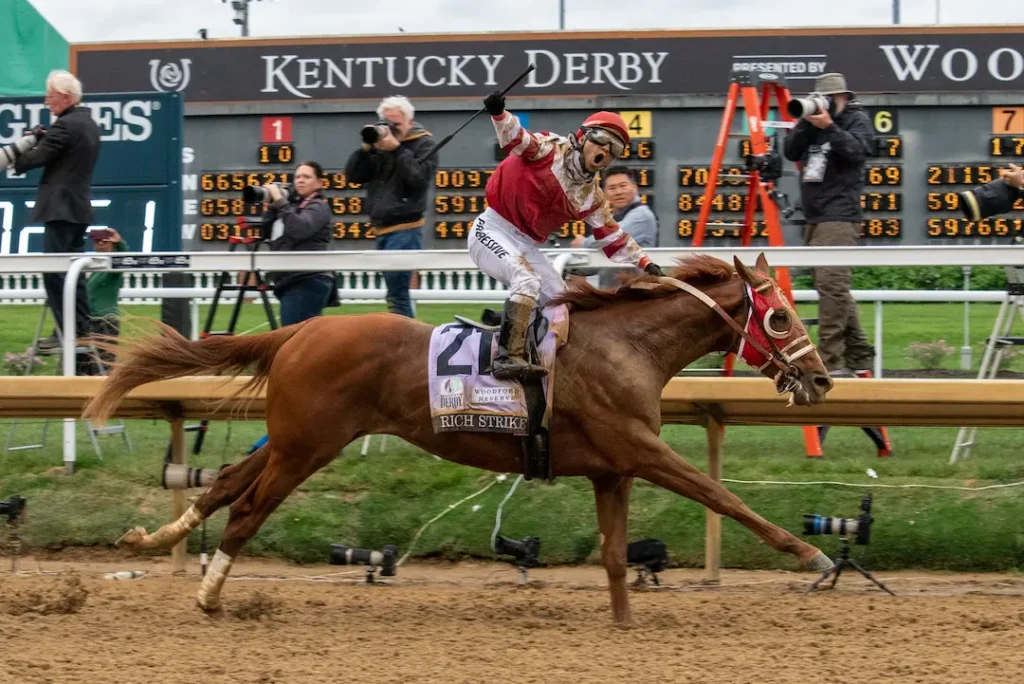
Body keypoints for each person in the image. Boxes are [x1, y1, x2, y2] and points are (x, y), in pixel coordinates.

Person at [468, 92, 662, 381]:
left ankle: (514, 332)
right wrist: (499, 113)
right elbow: (516, 138)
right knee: (526, 279)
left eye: (615, 149)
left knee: (562, 301)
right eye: (602, 140)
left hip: (526, 244)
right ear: (583, 137)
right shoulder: (549, 149)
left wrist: (646, 263)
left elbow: (614, 237)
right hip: (491, 229)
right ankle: (507, 358)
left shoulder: (592, 196)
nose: (606, 151)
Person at [783, 72, 875, 378]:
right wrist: (806, 122)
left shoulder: (856, 119)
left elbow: (859, 151)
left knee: (832, 285)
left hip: (840, 215)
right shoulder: (811, 124)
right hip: (815, 215)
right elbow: (790, 152)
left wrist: (830, 127)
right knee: (832, 286)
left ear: (842, 97)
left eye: (829, 98)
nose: (824, 103)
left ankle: (830, 361)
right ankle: (860, 354)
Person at [11, 70, 100, 369]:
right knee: (76, 274)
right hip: (79, 209)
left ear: (65, 96)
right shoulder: (89, 123)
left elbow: (37, 158)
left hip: (61, 209)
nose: (46, 101)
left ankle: (66, 332)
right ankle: (83, 331)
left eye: (50, 95)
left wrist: (20, 152)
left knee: (54, 272)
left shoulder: (65, 125)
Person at [345, 96, 437, 319]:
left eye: (396, 124)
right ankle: (404, 333)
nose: (392, 129)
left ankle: (405, 336)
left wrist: (398, 150)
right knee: (394, 294)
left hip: (406, 228)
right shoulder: (378, 146)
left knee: (397, 294)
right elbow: (353, 177)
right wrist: (365, 149)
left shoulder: (424, 144)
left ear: (409, 122)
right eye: (387, 123)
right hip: (381, 228)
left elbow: (418, 179)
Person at [262, 161, 335, 326]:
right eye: (297, 177)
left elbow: (300, 229)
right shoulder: (292, 207)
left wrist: (280, 201)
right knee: (304, 338)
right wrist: (273, 207)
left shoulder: (319, 206)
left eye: (306, 177)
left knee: (294, 337)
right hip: (291, 279)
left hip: (306, 279)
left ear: (319, 183)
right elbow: (265, 233)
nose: (300, 180)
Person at [571, 165, 658, 287]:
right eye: (612, 188)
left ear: (634, 187)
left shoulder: (642, 215)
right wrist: (574, 268)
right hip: (612, 294)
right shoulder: (612, 218)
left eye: (623, 186)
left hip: (636, 295)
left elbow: (611, 237)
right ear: (604, 193)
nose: (618, 192)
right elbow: (597, 264)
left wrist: (582, 244)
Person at [86, 227, 127, 369]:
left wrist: (119, 243)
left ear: (111, 244)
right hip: (92, 321)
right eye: (96, 241)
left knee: (105, 364)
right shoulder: (95, 271)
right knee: (90, 364)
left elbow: (123, 260)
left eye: (104, 242)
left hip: (107, 321)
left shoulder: (113, 270)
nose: (99, 244)